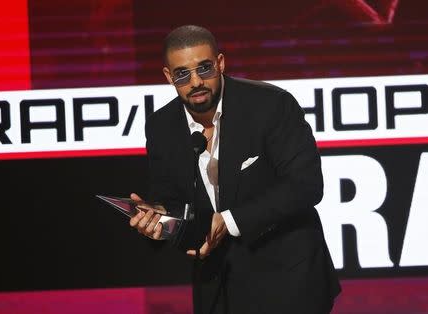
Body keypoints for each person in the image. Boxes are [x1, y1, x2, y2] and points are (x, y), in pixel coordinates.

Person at [129, 25, 341, 314]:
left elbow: (305, 185)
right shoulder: (161, 126)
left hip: (288, 283)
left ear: (220, 63)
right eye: (182, 74)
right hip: (217, 288)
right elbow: (171, 199)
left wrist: (228, 222)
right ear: (168, 76)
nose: (195, 82)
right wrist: (158, 223)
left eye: (204, 68)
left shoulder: (271, 106)